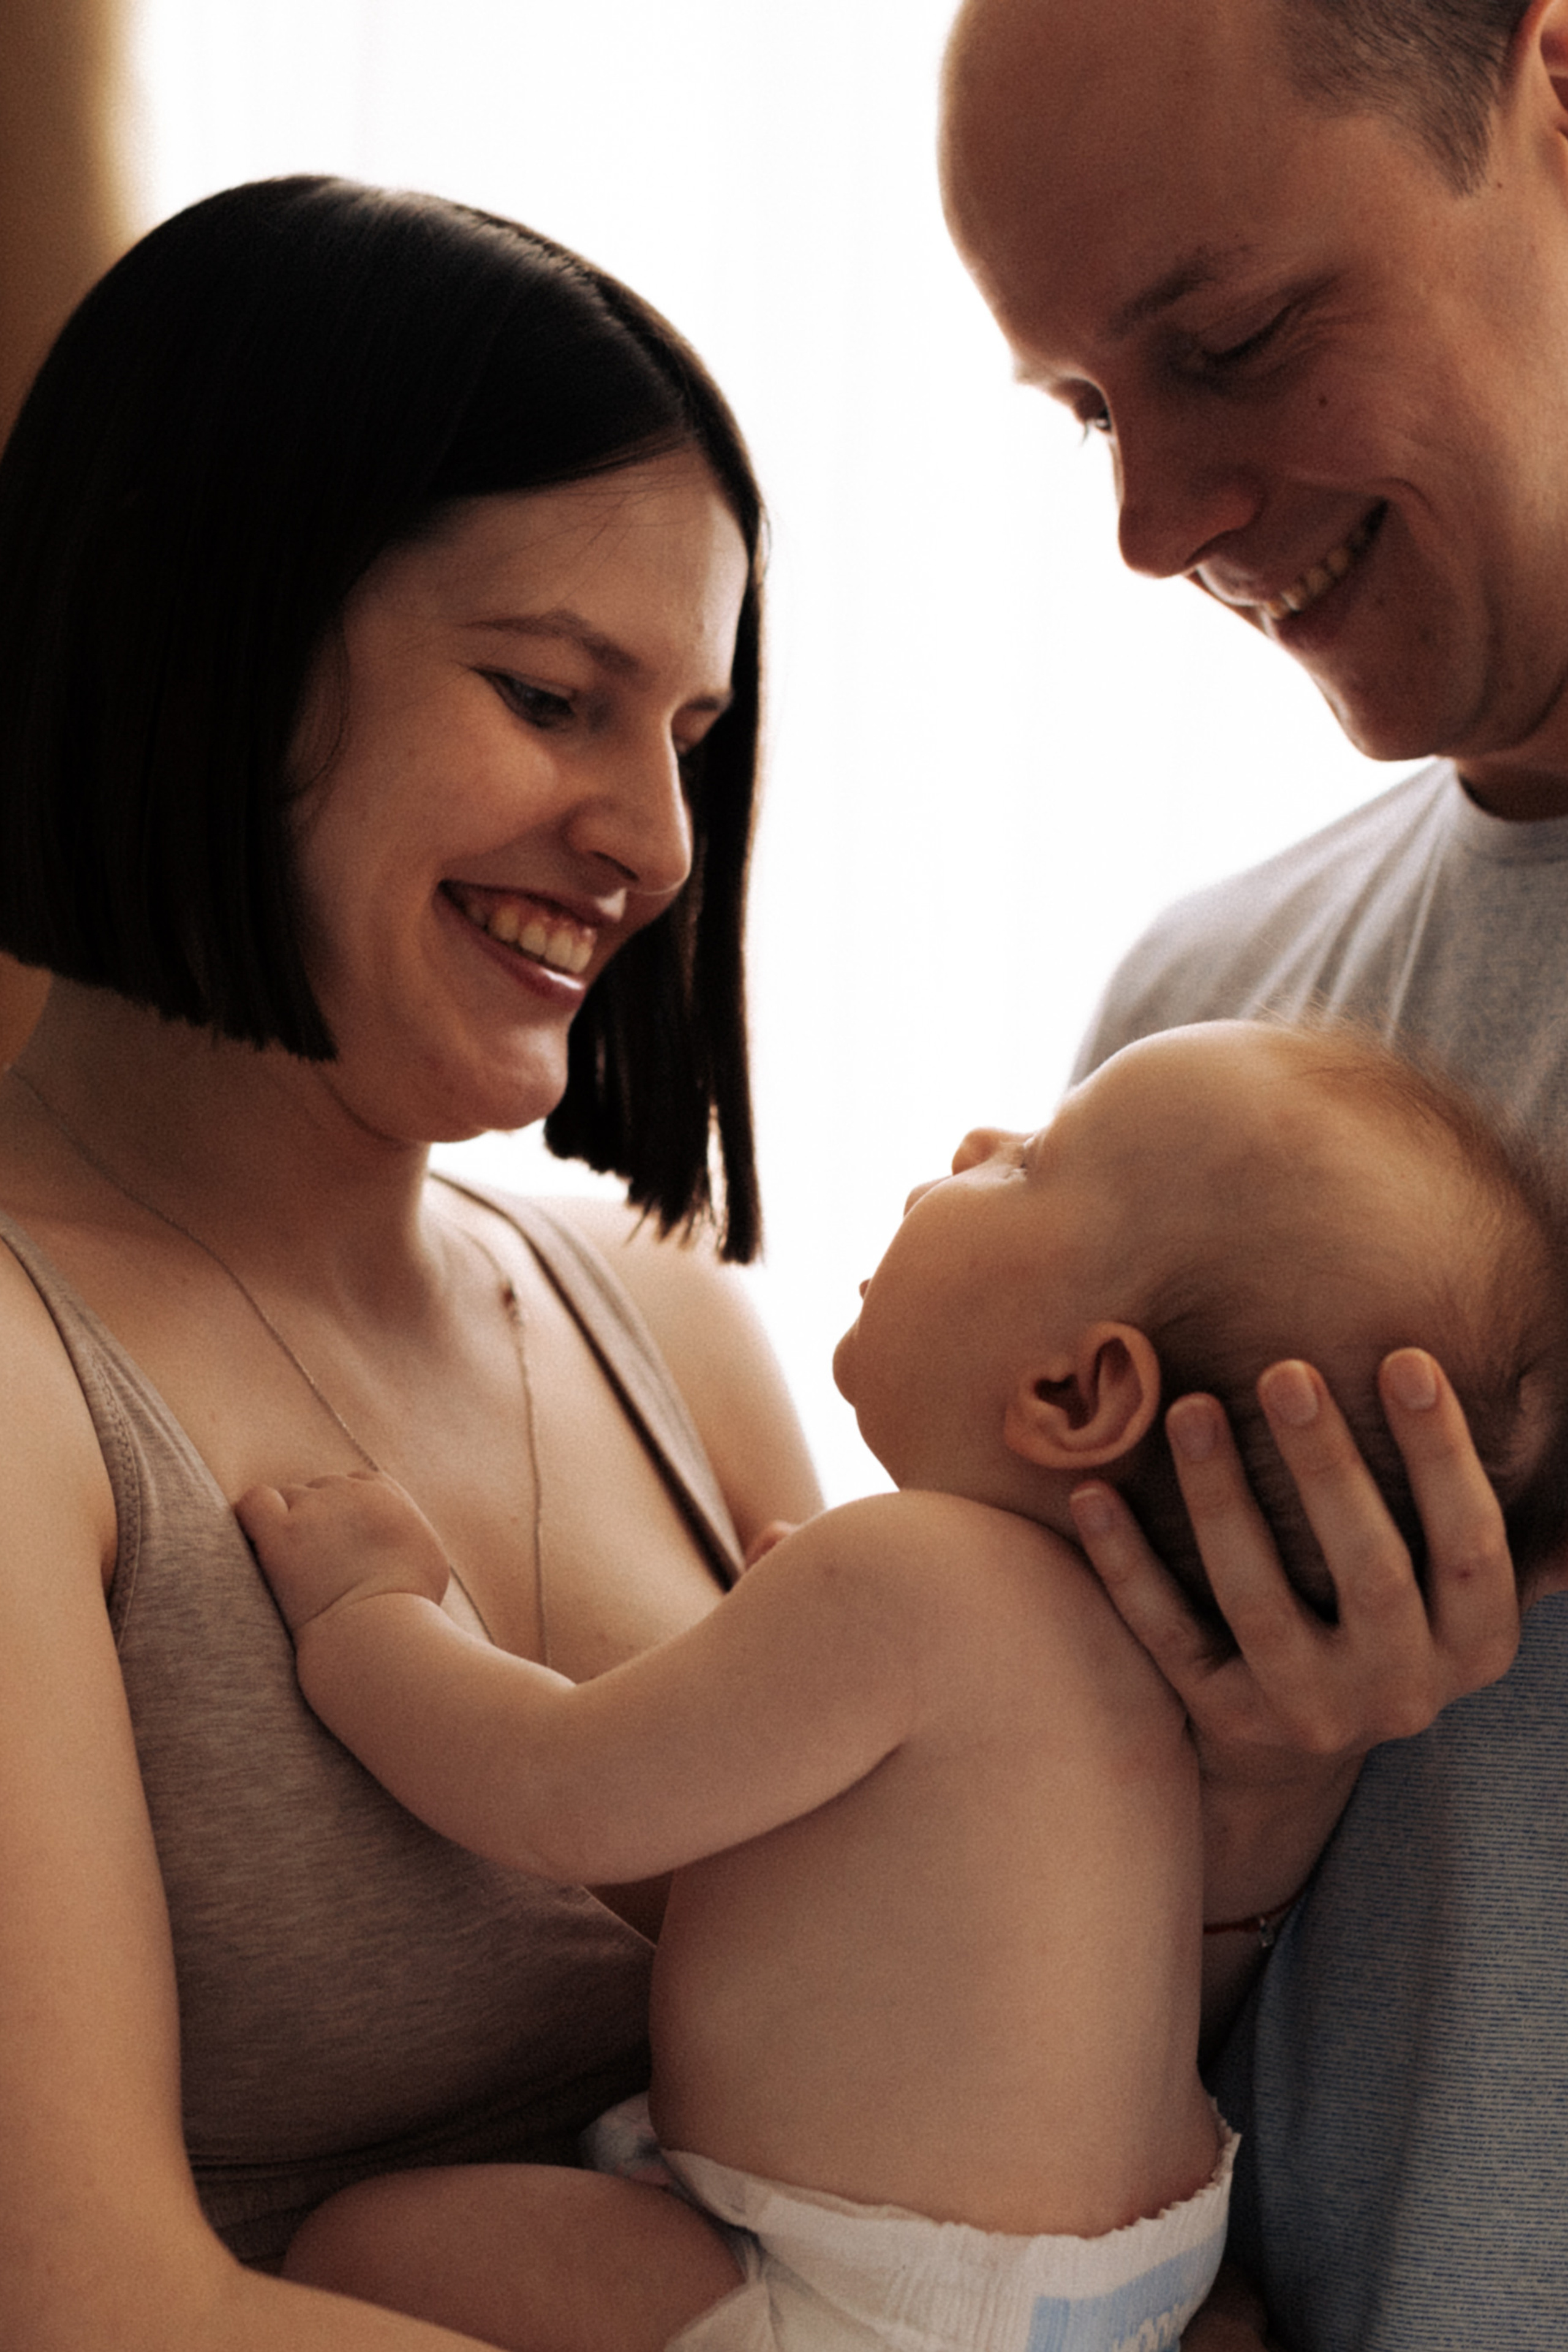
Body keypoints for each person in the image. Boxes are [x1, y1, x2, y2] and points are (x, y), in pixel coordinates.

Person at [0, 173, 831, 2350]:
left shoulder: (664, 1325)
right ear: (216, 635)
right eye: (558, 698)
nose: (656, 844)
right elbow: (90, 2309)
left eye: (692, 739)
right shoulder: (20, 1378)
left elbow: (923, 2030)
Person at [236, 1020, 1568, 2352]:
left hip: (866, 2306)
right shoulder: (1135, 1669)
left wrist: (371, 1617)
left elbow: (552, 1796)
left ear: (1072, 1390)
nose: (972, 1147)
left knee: (369, 2244)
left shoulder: (901, 1579)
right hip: (1142, 2281)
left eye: (1029, 1164)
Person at [938, 2, 1568, 2345]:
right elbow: (1061, 2027)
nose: (1148, 524)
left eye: (1226, 341)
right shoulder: (1202, 1037)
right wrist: (1242, 1815)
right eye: (1095, 408)